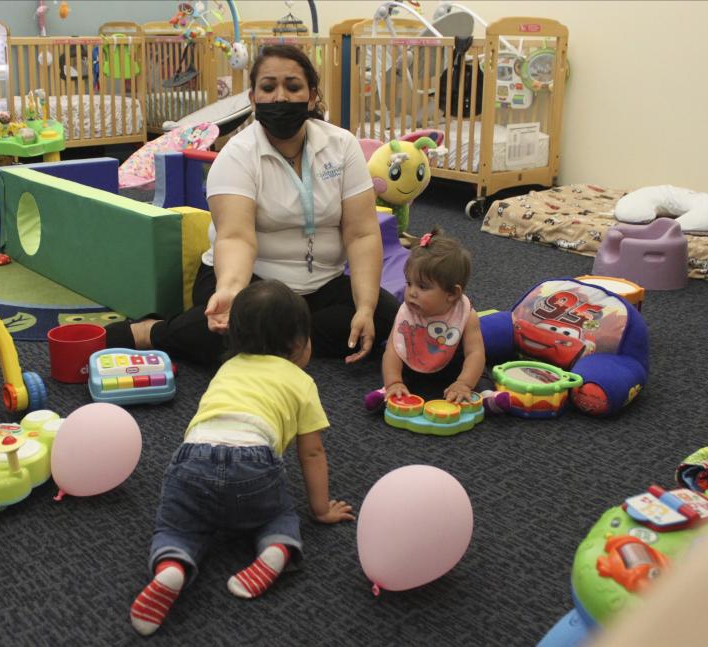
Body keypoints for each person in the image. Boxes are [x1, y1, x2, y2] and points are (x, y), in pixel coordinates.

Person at [106, 44, 398, 366]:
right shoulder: (237, 155)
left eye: (293, 86)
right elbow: (236, 238)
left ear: (312, 96)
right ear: (253, 98)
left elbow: (361, 234)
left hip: (321, 285)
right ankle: (153, 331)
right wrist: (231, 291)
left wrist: (366, 307)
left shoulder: (342, 146)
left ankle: (272, 341)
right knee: (235, 326)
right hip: (251, 281)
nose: (281, 98)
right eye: (269, 87)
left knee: (385, 315)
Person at [128, 280, 355, 637]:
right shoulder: (301, 381)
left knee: (179, 525)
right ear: (298, 344)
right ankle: (276, 549)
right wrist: (321, 508)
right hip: (255, 465)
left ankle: (172, 564)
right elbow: (311, 451)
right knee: (279, 514)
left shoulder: (228, 367)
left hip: (192, 459)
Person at [380, 229, 499, 406]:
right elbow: (392, 350)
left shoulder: (466, 315)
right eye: (409, 283)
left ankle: (487, 397)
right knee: (398, 374)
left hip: (454, 368)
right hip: (415, 366)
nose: (412, 292)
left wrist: (463, 383)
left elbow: (475, 353)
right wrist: (393, 381)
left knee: (479, 371)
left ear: (452, 293)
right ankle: (389, 394)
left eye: (422, 286)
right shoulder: (406, 312)